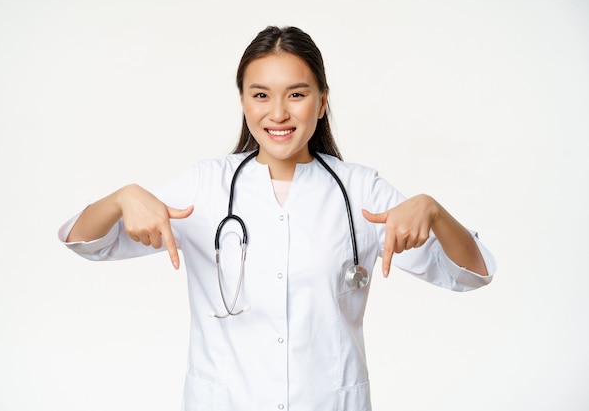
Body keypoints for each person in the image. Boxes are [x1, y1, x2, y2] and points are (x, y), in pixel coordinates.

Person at [59, 25, 495, 411]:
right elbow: (85, 240)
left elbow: (472, 273)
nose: (279, 113)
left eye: (297, 94)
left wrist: (435, 213)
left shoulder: (360, 192)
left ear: (322, 102)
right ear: (244, 101)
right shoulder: (206, 186)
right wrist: (120, 199)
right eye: (261, 94)